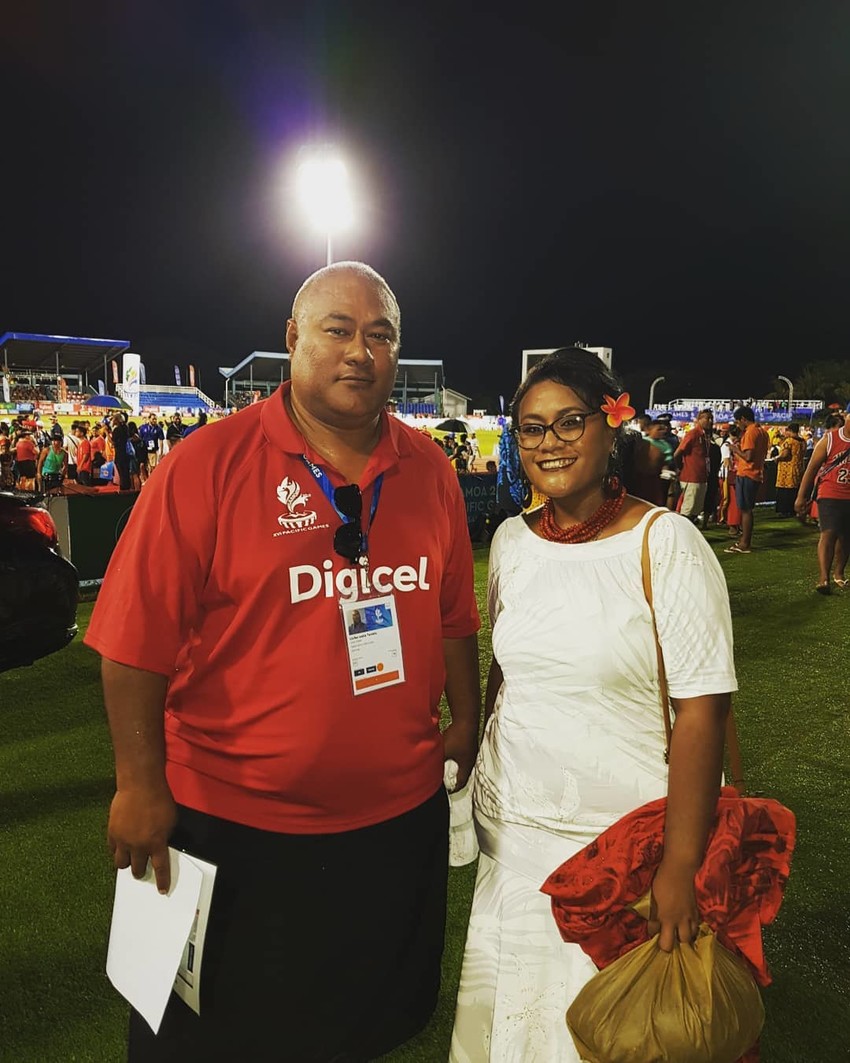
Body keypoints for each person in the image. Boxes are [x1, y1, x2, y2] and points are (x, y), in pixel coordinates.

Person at [84, 261, 481, 1063]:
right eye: (338, 329)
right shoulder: (206, 465)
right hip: (234, 825)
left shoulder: (430, 472)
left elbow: (452, 614)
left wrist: (468, 717)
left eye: (380, 335)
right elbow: (131, 641)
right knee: (214, 1039)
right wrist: (138, 781)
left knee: (358, 1031)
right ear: (293, 338)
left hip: (391, 827)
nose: (359, 352)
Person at [450, 348, 736, 1062]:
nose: (549, 443)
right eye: (532, 429)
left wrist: (680, 863)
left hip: (623, 855)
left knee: (613, 1035)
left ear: (612, 426)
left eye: (569, 422)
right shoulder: (512, 541)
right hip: (513, 845)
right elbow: (506, 672)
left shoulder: (665, 543)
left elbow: (703, 709)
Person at [794, 402, 850, 594]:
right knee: (829, 533)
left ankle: (839, 573)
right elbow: (811, 470)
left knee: (846, 537)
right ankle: (823, 577)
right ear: (846, 417)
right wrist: (801, 497)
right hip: (830, 493)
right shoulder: (829, 440)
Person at [724, 406, 769, 554]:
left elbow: (748, 457)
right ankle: (744, 541)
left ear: (743, 419)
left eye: (738, 422)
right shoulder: (762, 431)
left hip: (747, 473)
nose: (738, 425)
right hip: (755, 473)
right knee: (747, 509)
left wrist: (735, 449)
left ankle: (745, 543)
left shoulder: (750, 432)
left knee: (745, 510)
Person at [674, 409, 712, 522]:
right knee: (687, 510)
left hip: (701, 477)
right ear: (699, 419)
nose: (710, 421)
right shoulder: (693, 433)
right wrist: (680, 467)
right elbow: (677, 453)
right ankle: (682, 535)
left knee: (695, 510)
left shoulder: (704, 435)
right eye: (707, 418)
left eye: (711, 418)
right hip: (691, 478)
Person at [774, 423, 806, 517]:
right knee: (795, 490)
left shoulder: (789, 441)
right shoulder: (802, 441)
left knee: (785, 491)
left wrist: (777, 458)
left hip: (787, 470)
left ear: (790, 431)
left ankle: (785, 511)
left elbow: (785, 454)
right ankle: (794, 510)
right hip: (798, 467)